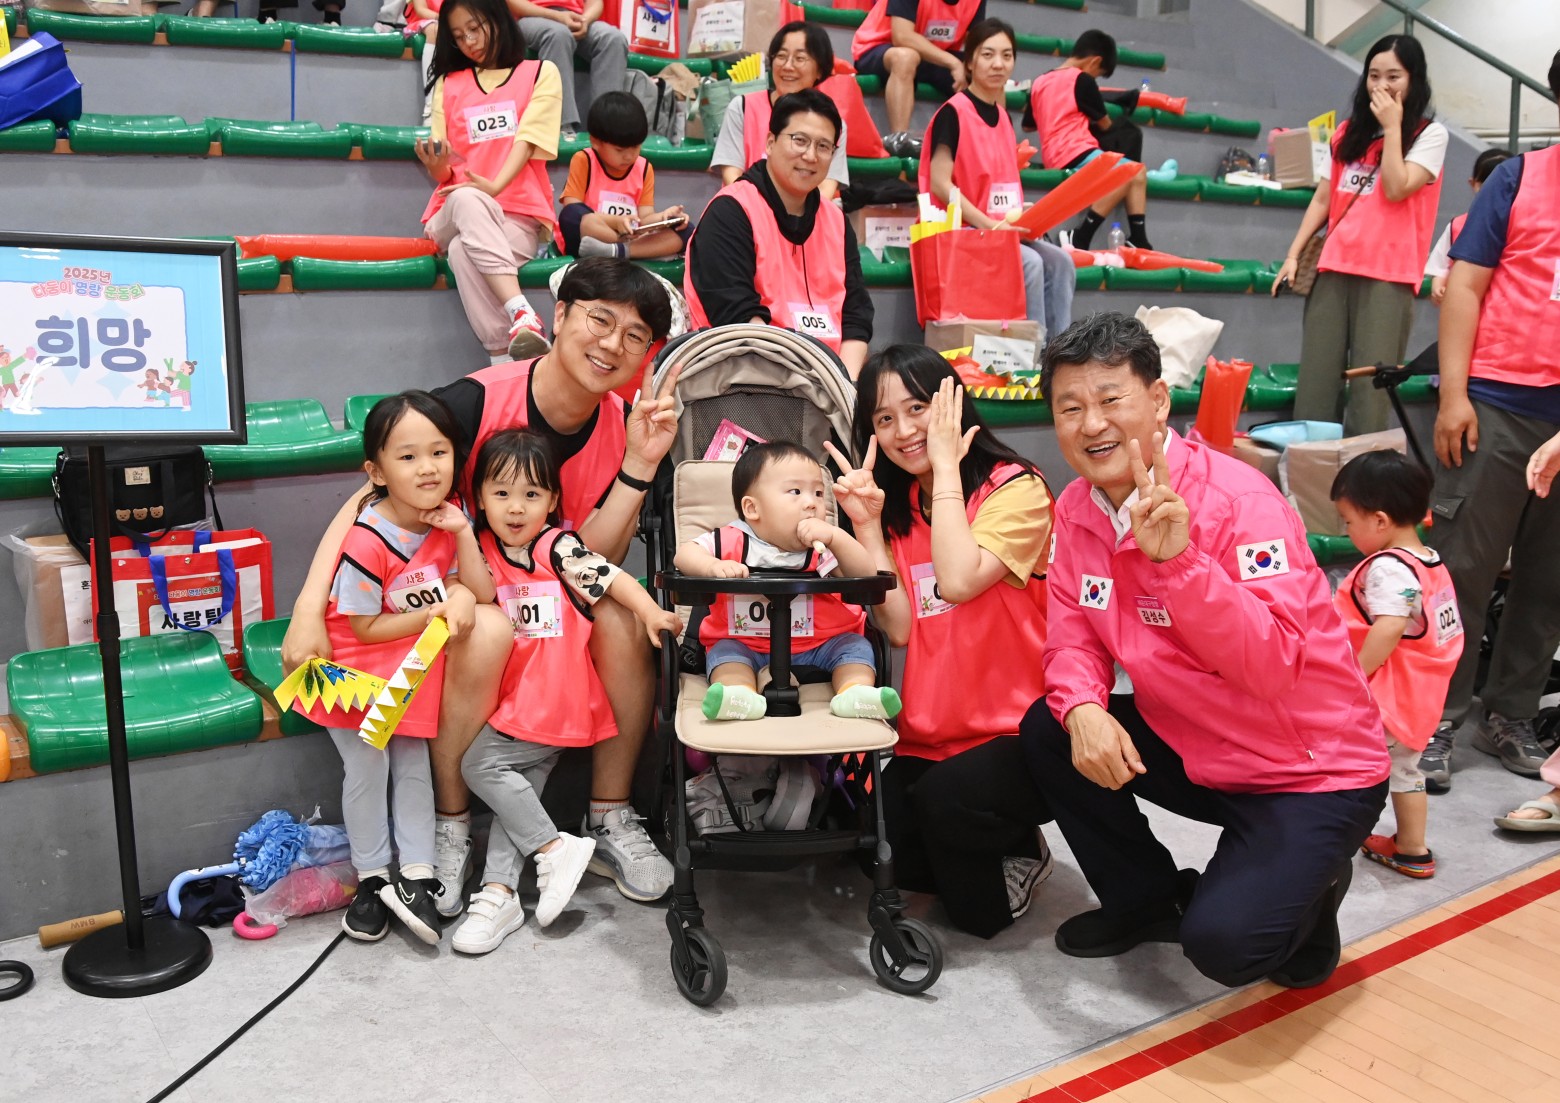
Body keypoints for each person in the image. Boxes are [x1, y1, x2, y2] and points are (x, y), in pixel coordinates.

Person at [282, 259, 680, 915]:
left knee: (622, 617)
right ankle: (450, 825)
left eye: (635, 336)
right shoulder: (475, 401)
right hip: (463, 595)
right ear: (560, 316)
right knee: (485, 624)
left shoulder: (629, 425)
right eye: (600, 320)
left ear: (648, 354)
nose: (613, 344)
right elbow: (371, 498)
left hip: (546, 595)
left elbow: (592, 561)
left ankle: (610, 816)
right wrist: (306, 607)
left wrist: (640, 463)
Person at [1020, 312, 1389, 990]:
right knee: (1051, 726)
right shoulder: (1076, 508)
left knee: (1229, 949)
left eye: (1110, 399)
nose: (1091, 423)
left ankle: (1317, 881)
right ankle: (1145, 901)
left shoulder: (1240, 500)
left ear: (1159, 400)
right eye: (1070, 407)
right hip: (1199, 745)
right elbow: (1072, 636)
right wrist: (1081, 708)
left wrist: (1181, 565)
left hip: (1308, 770)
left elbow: (1273, 667)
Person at [829, 346, 1053, 939]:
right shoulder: (901, 504)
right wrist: (868, 525)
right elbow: (900, 627)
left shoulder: (1018, 488)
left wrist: (947, 469)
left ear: (951, 404)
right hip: (931, 737)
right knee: (869, 838)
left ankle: (1023, 848)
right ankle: (978, 843)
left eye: (917, 408)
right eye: (883, 419)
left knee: (975, 913)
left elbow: (956, 580)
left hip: (1020, 734)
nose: (903, 431)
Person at [453, 431, 683, 954]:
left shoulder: (555, 547)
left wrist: (650, 611)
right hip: (516, 702)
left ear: (553, 500)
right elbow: (471, 589)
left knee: (480, 766)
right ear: (480, 497)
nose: (516, 508)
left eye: (531, 494)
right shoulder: (480, 549)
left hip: (553, 700)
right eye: (501, 493)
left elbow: (610, 576)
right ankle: (499, 894)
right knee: (518, 794)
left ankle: (555, 848)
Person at [290, 392, 479, 945]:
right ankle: (372, 879)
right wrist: (434, 613)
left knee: (413, 763)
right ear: (375, 472)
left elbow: (465, 581)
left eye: (439, 452)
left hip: (408, 664)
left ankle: (417, 873)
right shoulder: (366, 539)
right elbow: (365, 627)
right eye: (407, 456)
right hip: (347, 667)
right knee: (367, 767)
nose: (427, 468)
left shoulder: (449, 519)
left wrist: (459, 589)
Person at [1422, 51, 1560, 792]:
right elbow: (1466, 287)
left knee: (1550, 578)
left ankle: (1509, 712)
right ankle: (1438, 714)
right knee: (1464, 567)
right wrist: (1454, 394)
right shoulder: (1518, 178)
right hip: (1500, 404)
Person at [1270, 35, 1447, 435]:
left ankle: (1364, 473)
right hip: (1333, 266)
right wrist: (1293, 254)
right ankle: (1311, 470)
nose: (1381, 86)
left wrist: (1393, 129)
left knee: (1371, 391)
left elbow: (1397, 187)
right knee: (1316, 383)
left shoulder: (1430, 135)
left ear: (1414, 80)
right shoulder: (1348, 132)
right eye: (1374, 75)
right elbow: (1323, 199)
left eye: (1393, 77)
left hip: (1388, 275)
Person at [673, 441, 902, 723]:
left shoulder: (821, 547)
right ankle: (738, 695)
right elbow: (684, 555)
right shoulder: (729, 541)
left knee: (855, 647)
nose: (812, 503)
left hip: (821, 643)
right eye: (795, 492)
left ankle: (855, 692)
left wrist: (837, 537)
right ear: (752, 508)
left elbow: (864, 575)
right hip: (747, 643)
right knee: (725, 653)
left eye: (818, 493)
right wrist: (712, 566)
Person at [1330, 451, 1463, 879]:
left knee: (1348, 768)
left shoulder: (1389, 570)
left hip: (1387, 696)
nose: (1348, 532)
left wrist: (1354, 677)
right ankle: (1411, 848)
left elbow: (1388, 627)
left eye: (1349, 522)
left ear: (1380, 520)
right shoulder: (1429, 560)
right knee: (1406, 769)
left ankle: (1324, 846)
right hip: (1420, 695)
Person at [685, 90, 874, 378]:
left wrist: (845, 386)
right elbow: (739, 321)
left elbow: (856, 317)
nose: (810, 155)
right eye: (800, 140)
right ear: (770, 142)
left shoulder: (836, 220)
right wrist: (811, 384)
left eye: (823, 146)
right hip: (744, 381)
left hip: (831, 384)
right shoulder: (730, 211)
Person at [416, 0, 559, 363]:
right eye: (458, 35)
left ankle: (502, 360)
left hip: (517, 217)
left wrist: (494, 187)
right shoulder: (449, 83)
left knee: (463, 252)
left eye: (474, 28)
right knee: (467, 199)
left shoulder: (540, 73)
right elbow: (445, 171)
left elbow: (527, 141)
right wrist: (437, 166)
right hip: (453, 209)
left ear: (498, 19)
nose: (469, 42)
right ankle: (521, 309)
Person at [919, 19, 1074, 344]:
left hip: (999, 229)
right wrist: (988, 224)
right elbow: (940, 184)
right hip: (963, 231)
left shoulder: (1002, 117)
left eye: (1006, 55)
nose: (998, 64)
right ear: (970, 62)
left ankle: (1062, 353)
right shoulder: (953, 112)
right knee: (1030, 263)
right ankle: (1034, 357)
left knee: (1061, 262)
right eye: (988, 54)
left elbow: (1000, 187)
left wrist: (1025, 214)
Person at [1022, 30, 1152, 251]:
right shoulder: (1082, 80)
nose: (1095, 79)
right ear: (1095, 62)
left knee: (1135, 171)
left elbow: (1028, 125)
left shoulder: (1040, 81)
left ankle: (1138, 239)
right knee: (1131, 171)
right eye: (1098, 74)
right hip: (1076, 151)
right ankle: (1081, 236)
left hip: (1053, 155)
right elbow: (1105, 124)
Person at [712, 22, 851, 204]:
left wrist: (795, 215)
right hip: (746, 209)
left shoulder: (832, 123)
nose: (787, 66)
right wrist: (764, 212)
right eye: (781, 56)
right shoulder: (742, 107)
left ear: (819, 69)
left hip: (805, 215)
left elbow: (826, 188)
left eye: (800, 58)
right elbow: (732, 175)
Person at [556, 92, 690, 261]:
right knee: (571, 214)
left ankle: (619, 251)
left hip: (629, 238)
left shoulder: (644, 168)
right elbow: (572, 207)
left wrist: (665, 217)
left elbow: (644, 218)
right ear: (595, 142)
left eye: (635, 148)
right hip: (593, 237)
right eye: (619, 150)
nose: (629, 156)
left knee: (686, 230)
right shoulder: (584, 160)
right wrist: (616, 222)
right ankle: (620, 247)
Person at [850, 0, 986, 156]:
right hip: (881, 47)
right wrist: (953, 63)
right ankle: (900, 141)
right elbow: (902, 36)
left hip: (935, 53)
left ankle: (989, 147)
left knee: (986, 69)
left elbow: (975, 41)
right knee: (906, 58)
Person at [503, 0, 626, 139]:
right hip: (531, 17)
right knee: (558, 35)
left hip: (575, 17)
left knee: (613, 39)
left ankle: (607, 127)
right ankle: (563, 126)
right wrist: (556, 16)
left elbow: (595, 3)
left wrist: (584, 20)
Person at [1425, 148, 1510, 305]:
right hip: (1465, 307)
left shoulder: (1524, 225)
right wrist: (1438, 285)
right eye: (1485, 184)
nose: (1494, 191)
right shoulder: (1457, 226)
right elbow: (1440, 267)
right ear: (1473, 183)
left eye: (1504, 185)